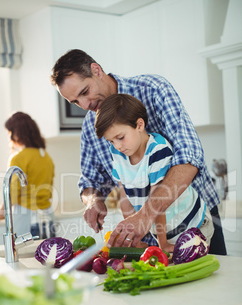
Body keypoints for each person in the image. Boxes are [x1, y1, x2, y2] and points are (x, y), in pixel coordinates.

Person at [50, 49, 226, 255]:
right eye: (75, 102)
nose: (85, 105)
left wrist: (145, 215)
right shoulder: (91, 126)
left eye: (84, 92)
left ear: (96, 70)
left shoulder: (153, 89)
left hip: (193, 220)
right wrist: (93, 202)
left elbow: (190, 156)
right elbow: (91, 181)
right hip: (147, 235)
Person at [95, 93, 214, 252]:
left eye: (120, 137)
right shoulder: (117, 154)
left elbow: (159, 199)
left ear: (139, 125)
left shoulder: (158, 150)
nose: (117, 146)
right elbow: (124, 197)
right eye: (111, 141)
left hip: (194, 226)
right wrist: (133, 237)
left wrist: (162, 244)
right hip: (166, 231)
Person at [0, 112, 55, 239]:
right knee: (48, 257)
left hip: (27, 220)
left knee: (26, 257)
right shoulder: (45, 157)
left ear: (15, 134)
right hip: (48, 219)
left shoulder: (18, 158)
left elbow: (12, 194)